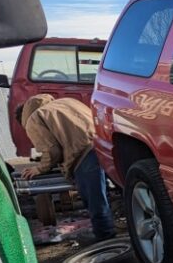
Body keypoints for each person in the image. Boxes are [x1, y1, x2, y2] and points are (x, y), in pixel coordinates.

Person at [17, 94, 115, 241]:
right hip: (106, 144)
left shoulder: (34, 119)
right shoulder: (67, 101)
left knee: (95, 201)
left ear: (23, 117)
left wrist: (39, 169)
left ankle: (106, 241)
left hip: (84, 154)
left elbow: (52, 151)